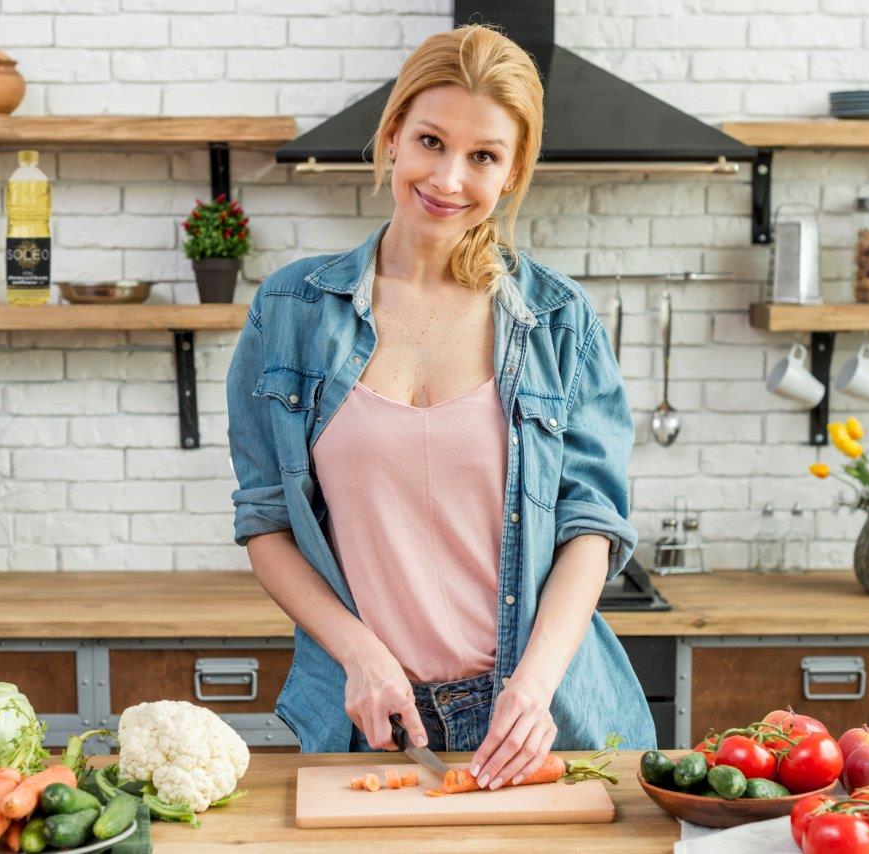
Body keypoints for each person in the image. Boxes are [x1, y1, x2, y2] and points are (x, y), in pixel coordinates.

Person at [227, 24, 655, 790]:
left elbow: (593, 524)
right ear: (392, 137)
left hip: (544, 715)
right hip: (372, 721)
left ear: (513, 169)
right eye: (430, 141)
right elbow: (266, 524)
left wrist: (533, 684)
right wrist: (360, 654)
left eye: (483, 156)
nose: (449, 178)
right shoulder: (290, 312)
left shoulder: (560, 323)